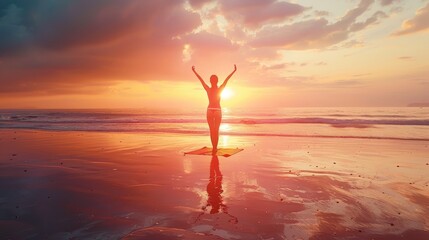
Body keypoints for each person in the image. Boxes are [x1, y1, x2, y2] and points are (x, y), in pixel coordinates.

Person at [192, 65, 237, 154]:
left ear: (210, 81)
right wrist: (234, 71)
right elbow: (227, 79)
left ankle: (213, 148)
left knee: (211, 130)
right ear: (217, 81)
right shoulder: (220, 89)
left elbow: (200, 80)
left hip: (209, 110)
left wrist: (194, 71)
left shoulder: (208, 89)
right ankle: (215, 148)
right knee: (216, 130)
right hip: (217, 110)